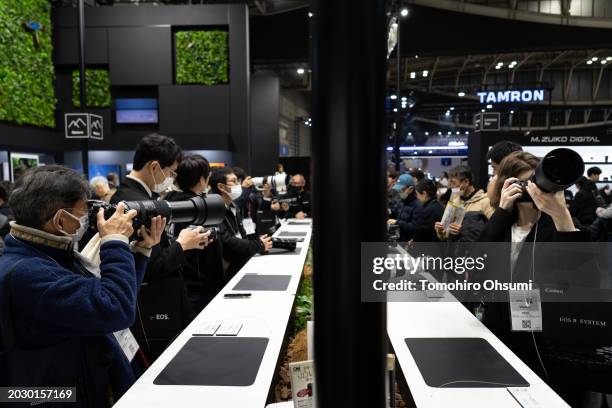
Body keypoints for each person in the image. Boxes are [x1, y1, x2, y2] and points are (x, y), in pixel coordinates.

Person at [0, 165, 164, 405]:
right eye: (83, 211)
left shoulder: (47, 253)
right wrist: (115, 243)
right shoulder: (29, 274)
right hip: (55, 397)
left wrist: (140, 250)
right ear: (59, 219)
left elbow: (113, 298)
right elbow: (114, 309)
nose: (88, 217)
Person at [478, 151, 599, 406]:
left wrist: (562, 217)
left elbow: (588, 286)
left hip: (546, 348)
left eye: (536, 182)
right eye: (523, 183)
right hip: (501, 338)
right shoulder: (499, 226)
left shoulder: (563, 226)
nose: (533, 190)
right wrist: (501, 210)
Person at [110, 134, 209, 359]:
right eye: (171, 172)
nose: (172, 178)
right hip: (150, 307)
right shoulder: (135, 205)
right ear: (155, 166)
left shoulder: (134, 196)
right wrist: (182, 245)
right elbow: (151, 266)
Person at [165, 155, 220, 312]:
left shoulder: (168, 201)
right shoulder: (201, 208)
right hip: (199, 285)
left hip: (174, 280)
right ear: (203, 180)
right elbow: (212, 253)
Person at [209, 167, 273, 277]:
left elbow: (242, 237)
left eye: (238, 181)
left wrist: (255, 246)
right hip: (226, 272)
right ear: (221, 187)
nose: (239, 184)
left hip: (240, 264)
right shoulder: (214, 211)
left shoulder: (234, 207)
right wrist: (257, 245)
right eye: (234, 181)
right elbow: (228, 242)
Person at [435, 166, 494, 243]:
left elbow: (493, 231)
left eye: (454, 183)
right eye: (450, 183)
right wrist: (441, 231)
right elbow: (445, 234)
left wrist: (463, 231)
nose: (451, 187)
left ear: (466, 182)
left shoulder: (485, 201)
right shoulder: (454, 200)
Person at [388, 174, 422, 242]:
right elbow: (395, 211)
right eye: (399, 190)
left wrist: (397, 222)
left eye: (402, 189)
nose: (400, 192)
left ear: (411, 189)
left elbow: (414, 227)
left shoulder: (417, 205)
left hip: (408, 242)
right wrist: (388, 211)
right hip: (398, 238)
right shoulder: (402, 201)